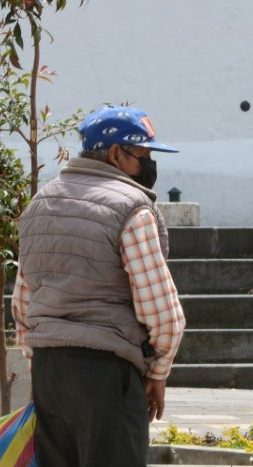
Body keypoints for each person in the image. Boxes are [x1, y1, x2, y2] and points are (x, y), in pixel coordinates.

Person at [12, 105, 187, 467]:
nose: (149, 164)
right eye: (144, 154)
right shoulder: (131, 208)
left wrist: (40, 369)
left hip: (50, 368)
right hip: (106, 371)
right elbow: (163, 313)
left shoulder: (38, 204)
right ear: (115, 154)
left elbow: (23, 302)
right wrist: (158, 373)